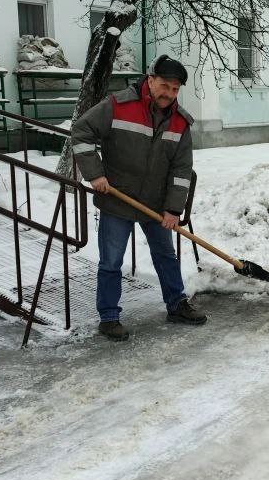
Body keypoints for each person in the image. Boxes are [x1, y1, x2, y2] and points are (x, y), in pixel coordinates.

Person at [71, 54, 207, 340]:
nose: (169, 94)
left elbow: (182, 169)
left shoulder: (180, 123)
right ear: (150, 78)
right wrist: (94, 174)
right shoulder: (119, 105)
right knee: (111, 261)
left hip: (156, 204)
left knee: (166, 256)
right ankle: (109, 317)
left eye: (175, 89)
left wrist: (173, 209)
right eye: (165, 86)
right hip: (118, 199)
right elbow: (81, 132)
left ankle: (176, 304)